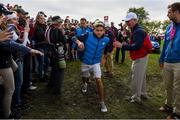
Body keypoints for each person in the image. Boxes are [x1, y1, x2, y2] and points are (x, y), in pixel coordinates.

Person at [115, 12, 152, 104]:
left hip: (140, 56)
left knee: (136, 77)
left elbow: (137, 46)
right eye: (126, 21)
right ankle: (143, 93)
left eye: (129, 21)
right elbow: (137, 43)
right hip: (143, 55)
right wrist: (127, 43)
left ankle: (136, 97)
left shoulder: (138, 31)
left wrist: (122, 46)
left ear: (135, 20)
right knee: (141, 76)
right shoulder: (137, 29)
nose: (127, 23)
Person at [73, 20, 109, 112]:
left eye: (101, 30)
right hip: (85, 61)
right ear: (94, 30)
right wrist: (79, 43)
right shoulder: (87, 35)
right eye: (97, 30)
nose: (99, 32)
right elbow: (74, 37)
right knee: (85, 76)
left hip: (96, 63)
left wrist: (104, 57)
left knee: (98, 80)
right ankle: (85, 84)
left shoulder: (106, 39)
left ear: (104, 31)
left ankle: (102, 102)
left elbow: (107, 50)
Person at [159, 2, 180, 119]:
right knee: (168, 86)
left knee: (178, 88)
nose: (167, 14)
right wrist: (162, 58)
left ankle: (177, 113)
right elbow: (165, 44)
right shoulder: (169, 27)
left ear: (176, 12)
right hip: (167, 61)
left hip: (179, 62)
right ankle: (169, 105)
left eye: (169, 12)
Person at [45, 16, 67, 95]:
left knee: (54, 69)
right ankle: (57, 89)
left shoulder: (48, 29)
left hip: (52, 52)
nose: (61, 23)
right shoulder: (55, 30)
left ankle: (51, 84)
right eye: (59, 22)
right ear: (56, 23)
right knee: (60, 70)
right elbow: (63, 41)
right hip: (58, 53)